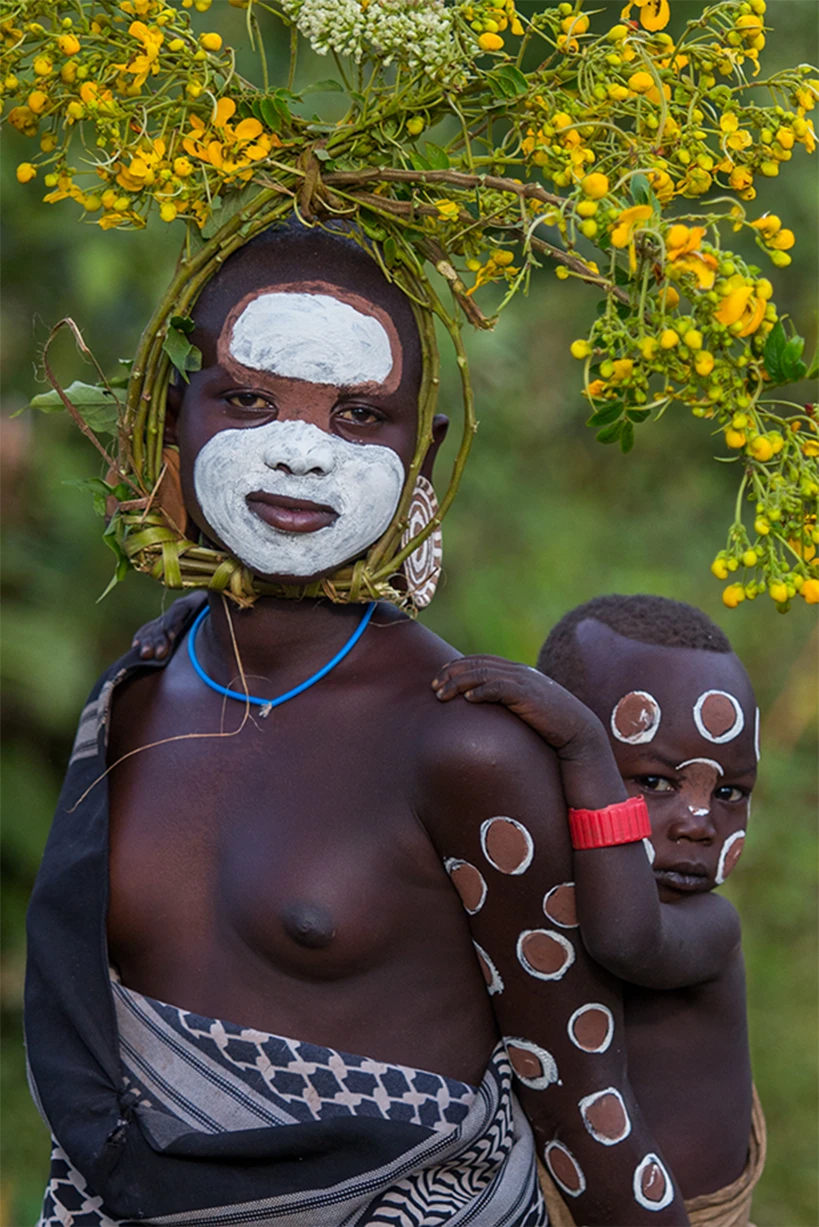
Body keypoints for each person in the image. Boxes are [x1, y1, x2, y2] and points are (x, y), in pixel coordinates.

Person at [26, 226, 692, 1226]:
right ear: (172, 415)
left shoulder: (461, 745)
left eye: (360, 415)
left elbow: (585, 1106)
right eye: (249, 400)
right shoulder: (133, 695)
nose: (299, 451)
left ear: (419, 449)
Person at [431, 594, 765, 1227]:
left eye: (729, 793)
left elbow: (625, 940)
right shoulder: (532, 893)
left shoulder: (710, 930)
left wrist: (586, 749)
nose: (699, 823)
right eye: (656, 783)